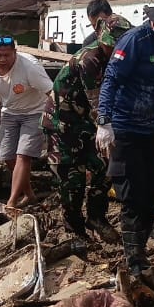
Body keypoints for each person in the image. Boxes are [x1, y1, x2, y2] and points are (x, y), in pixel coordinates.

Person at [96, 0, 154, 291]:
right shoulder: (134, 41)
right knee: (132, 196)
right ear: (153, 20)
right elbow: (112, 79)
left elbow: (148, 81)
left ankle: (140, 251)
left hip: (149, 130)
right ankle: (134, 260)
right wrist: (104, 122)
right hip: (124, 130)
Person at [49, 13, 132, 241]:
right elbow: (98, 103)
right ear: (101, 38)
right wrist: (110, 128)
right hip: (64, 122)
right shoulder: (90, 59)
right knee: (71, 177)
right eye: (111, 44)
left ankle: (96, 217)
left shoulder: (120, 57)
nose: (114, 48)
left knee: (105, 169)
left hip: (88, 121)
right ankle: (74, 229)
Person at [0, 36, 55, 217]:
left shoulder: (29, 67)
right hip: (10, 112)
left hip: (35, 111)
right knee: (8, 157)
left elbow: (52, 93)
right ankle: (30, 195)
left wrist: (53, 117)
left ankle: (11, 202)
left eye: (7, 55)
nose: (2, 59)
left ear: (15, 53)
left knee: (23, 155)